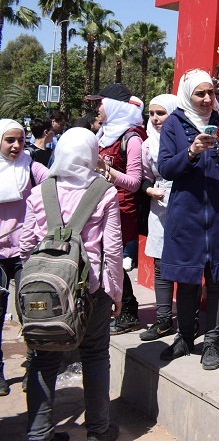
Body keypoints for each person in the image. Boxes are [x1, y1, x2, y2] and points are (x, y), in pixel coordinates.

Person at [20, 127, 123, 441]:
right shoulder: (104, 191)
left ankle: (39, 433)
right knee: (95, 355)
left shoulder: (40, 191)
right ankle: (98, 430)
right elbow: (113, 249)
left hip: (46, 292)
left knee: (43, 357)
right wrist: (115, 292)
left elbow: (25, 245)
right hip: (91, 289)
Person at [157, 69, 219, 370]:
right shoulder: (174, 124)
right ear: (188, 95)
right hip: (187, 214)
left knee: (218, 279)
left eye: (211, 93)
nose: (208, 99)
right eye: (200, 94)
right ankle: (184, 337)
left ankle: (212, 343)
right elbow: (166, 168)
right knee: (187, 280)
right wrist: (192, 151)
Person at [86, 84, 147, 334]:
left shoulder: (131, 138)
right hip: (98, 206)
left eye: (100, 103)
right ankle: (113, 308)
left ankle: (129, 312)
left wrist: (105, 169)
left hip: (121, 210)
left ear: (113, 106)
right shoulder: (104, 134)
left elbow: (134, 183)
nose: (97, 108)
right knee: (103, 259)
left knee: (113, 261)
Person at [0, 119, 48, 396]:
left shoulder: (31, 167)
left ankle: (33, 366)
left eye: (21, 139)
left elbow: (55, 184)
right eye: (10, 140)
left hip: (25, 252)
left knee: (31, 311)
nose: (17, 145)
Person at [138, 94, 180, 342]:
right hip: (159, 206)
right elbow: (143, 177)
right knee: (160, 263)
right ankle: (163, 320)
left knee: (185, 261)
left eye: (161, 113)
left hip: (185, 203)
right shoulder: (146, 145)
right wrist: (149, 190)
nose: (155, 118)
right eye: (151, 113)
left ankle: (189, 320)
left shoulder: (184, 139)